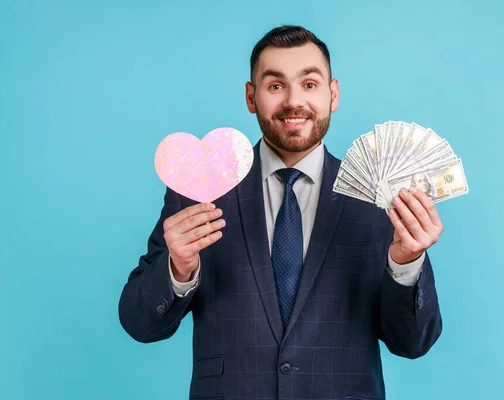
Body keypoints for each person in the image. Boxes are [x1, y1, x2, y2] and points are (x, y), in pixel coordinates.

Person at [119, 25, 444, 400]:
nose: (293, 101)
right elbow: (139, 323)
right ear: (250, 96)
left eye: (309, 84)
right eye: (275, 86)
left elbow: (413, 343)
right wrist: (177, 269)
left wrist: (406, 264)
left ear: (333, 93)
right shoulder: (199, 190)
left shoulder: (380, 198)